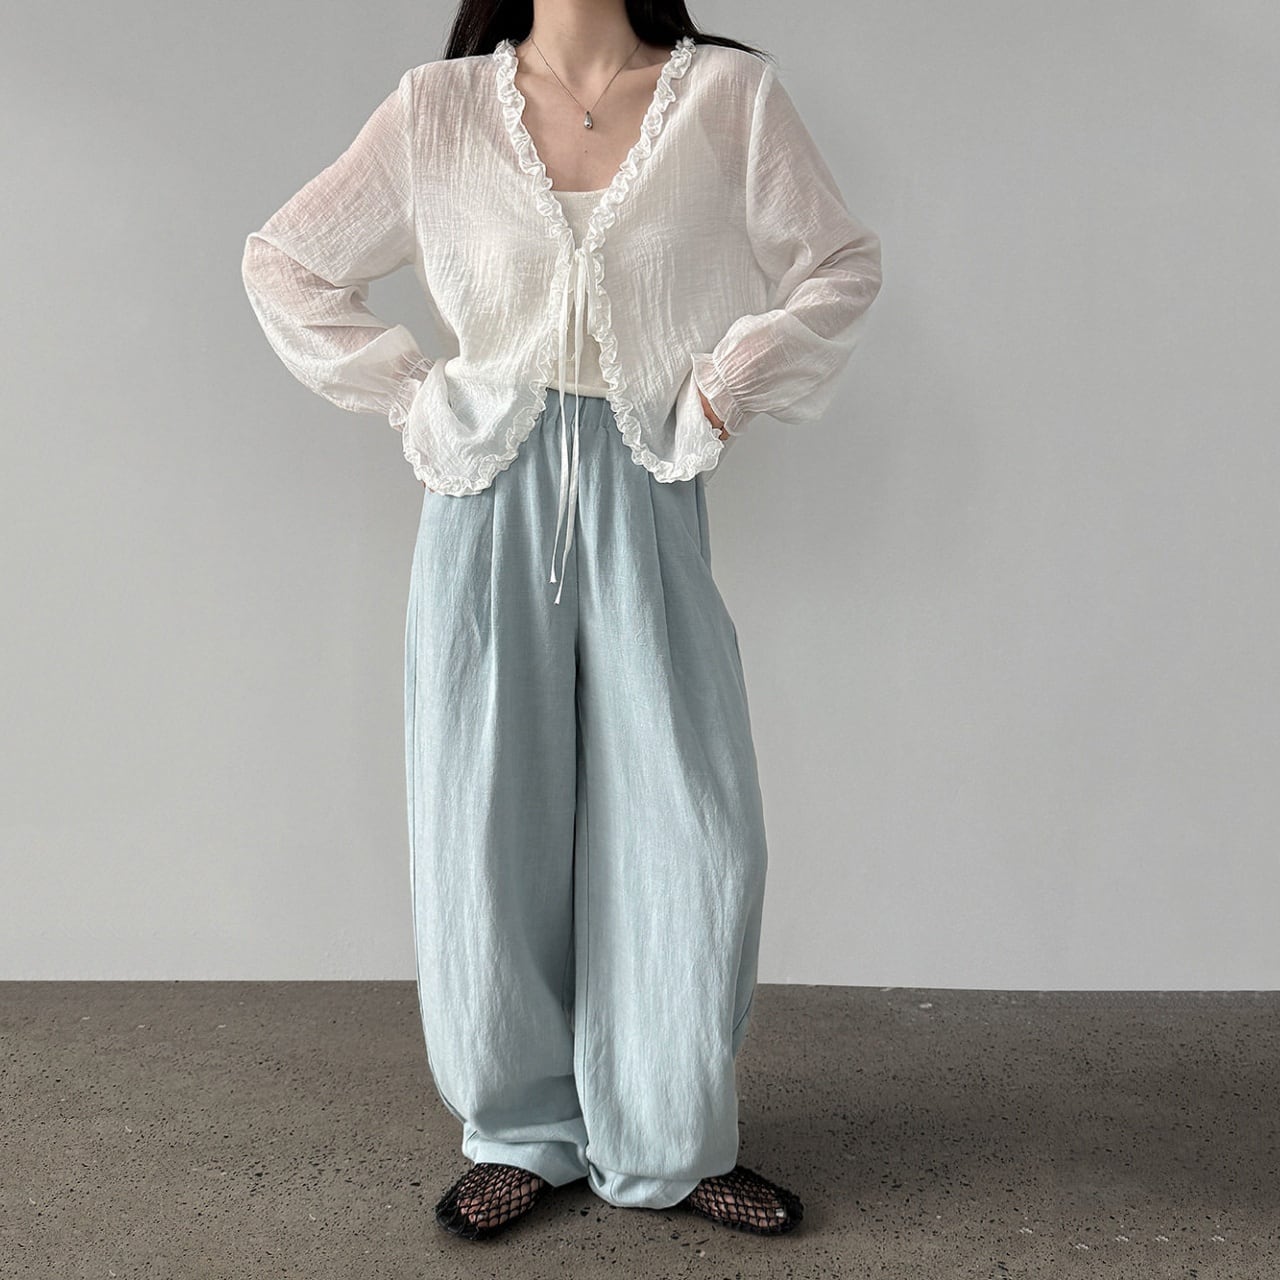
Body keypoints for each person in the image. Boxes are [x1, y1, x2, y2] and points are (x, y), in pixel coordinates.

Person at [241, 0, 881, 1244]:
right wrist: (415, 394)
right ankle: (519, 1129)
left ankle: (667, 1139)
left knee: (693, 820)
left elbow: (838, 264)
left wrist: (726, 381)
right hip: (487, 487)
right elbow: (287, 260)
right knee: (487, 814)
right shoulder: (438, 112)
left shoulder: (729, 99)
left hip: (648, 478)